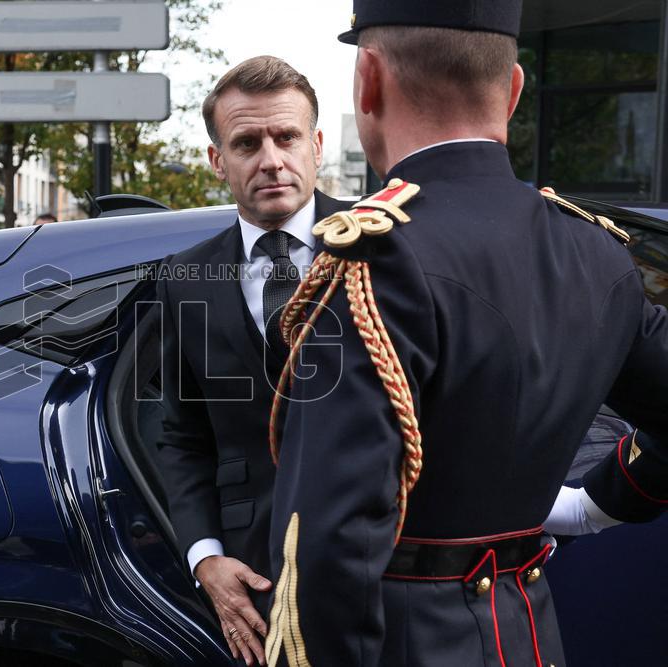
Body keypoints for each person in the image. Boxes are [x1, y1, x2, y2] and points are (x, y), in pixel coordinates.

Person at [265, 2, 668, 666]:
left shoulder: (374, 261)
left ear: (368, 79)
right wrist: (593, 503)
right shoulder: (595, 254)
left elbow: (326, 554)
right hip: (532, 635)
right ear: (513, 90)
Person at [155, 56, 352, 667]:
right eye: (247, 142)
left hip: (383, 562)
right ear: (219, 161)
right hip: (251, 580)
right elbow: (176, 434)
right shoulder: (183, 279)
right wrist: (205, 557)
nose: (271, 159)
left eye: (287, 137)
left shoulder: (385, 251)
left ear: (316, 145)